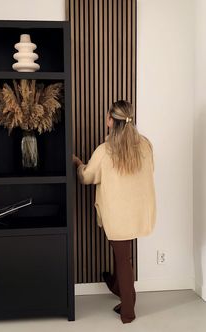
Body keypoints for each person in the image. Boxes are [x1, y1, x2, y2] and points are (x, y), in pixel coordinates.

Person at [73, 100, 156, 324]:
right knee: (123, 256)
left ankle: (128, 310)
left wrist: (79, 163)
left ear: (110, 120)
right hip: (139, 212)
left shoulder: (105, 151)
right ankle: (119, 286)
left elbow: (87, 177)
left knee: (123, 259)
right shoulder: (146, 145)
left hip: (118, 215)